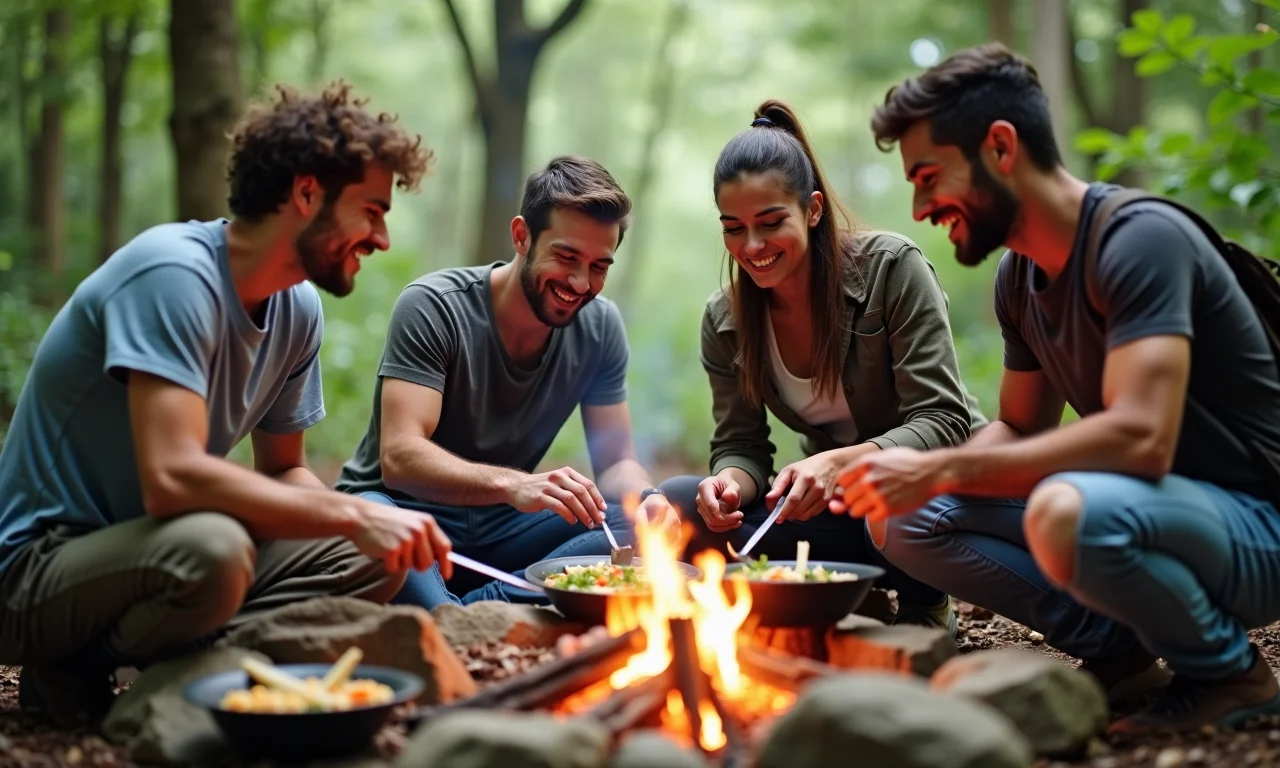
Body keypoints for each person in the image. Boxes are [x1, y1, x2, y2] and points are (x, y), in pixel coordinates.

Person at [836, 42, 1280, 732]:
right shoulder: (1019, 278)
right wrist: (917, 474)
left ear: (1001, 147)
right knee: (900, 518)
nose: (920, 207)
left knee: (1068, 513)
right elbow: (1021, 425)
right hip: (1158, 513)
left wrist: (946, 462)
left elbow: (1142, 437)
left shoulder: (1139, 241)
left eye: (929, 177)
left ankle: (1231, 675)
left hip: (1256, 528)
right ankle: (1123, 652)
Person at [0, 82, 454, 725]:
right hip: (36, 571)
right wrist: (352, 518)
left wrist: (363, 519)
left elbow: (283, 472)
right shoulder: (171, 275)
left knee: (368, 548)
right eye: (372, 211)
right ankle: (70, 667)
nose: (381, 237)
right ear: (305, 194)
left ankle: (193, 667)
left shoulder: (297, 308)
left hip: (154, 550)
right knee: (213, 551)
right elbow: (173, 478)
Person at [658, 100, 985, 636]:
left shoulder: (891, 270)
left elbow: (945, 420)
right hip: (838, 516)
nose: (753, 246)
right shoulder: (725, 319)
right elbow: (742, 445)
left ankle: (924, 605)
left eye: (770, 223)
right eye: (734, 228)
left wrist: (842, 463)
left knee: (893, 497)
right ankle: (831, 597)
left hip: (926, 505)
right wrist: (726, 487)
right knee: (675, 501)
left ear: (812, 209)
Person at [336, 155, 676, 608]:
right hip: (401, 513)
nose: (580, 282)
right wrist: (514, 485)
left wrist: (648, 498)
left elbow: (615, 465)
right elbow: (400, 457)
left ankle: (480, 605)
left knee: (644, 519)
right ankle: (478, 605)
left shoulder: (600, 328)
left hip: (504, 527)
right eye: (566, 256)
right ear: (522, 236)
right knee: (371, 517)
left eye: (599, 266)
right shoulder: (434, 306)